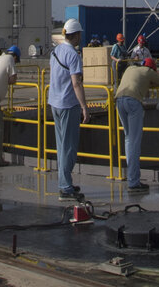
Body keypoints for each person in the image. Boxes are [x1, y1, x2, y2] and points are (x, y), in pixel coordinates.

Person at [49, 19, 90, 198]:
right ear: (77, 35)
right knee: (69, 147)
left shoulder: (55, 51)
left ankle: (65, 183)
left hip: (54, 103)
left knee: (61, 145)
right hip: (68, 105)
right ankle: (65, 187)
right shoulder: (74, 55)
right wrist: (84, 107)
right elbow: (76, 83)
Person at [117, 56, 159, 195]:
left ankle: (131, 177)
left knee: (128, 139)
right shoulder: (148, 71)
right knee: (134, 142)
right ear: (152, 68)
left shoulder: (130, 68)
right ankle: (133, 182)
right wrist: (152, 82)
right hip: (133, 102)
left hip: (119, 101)